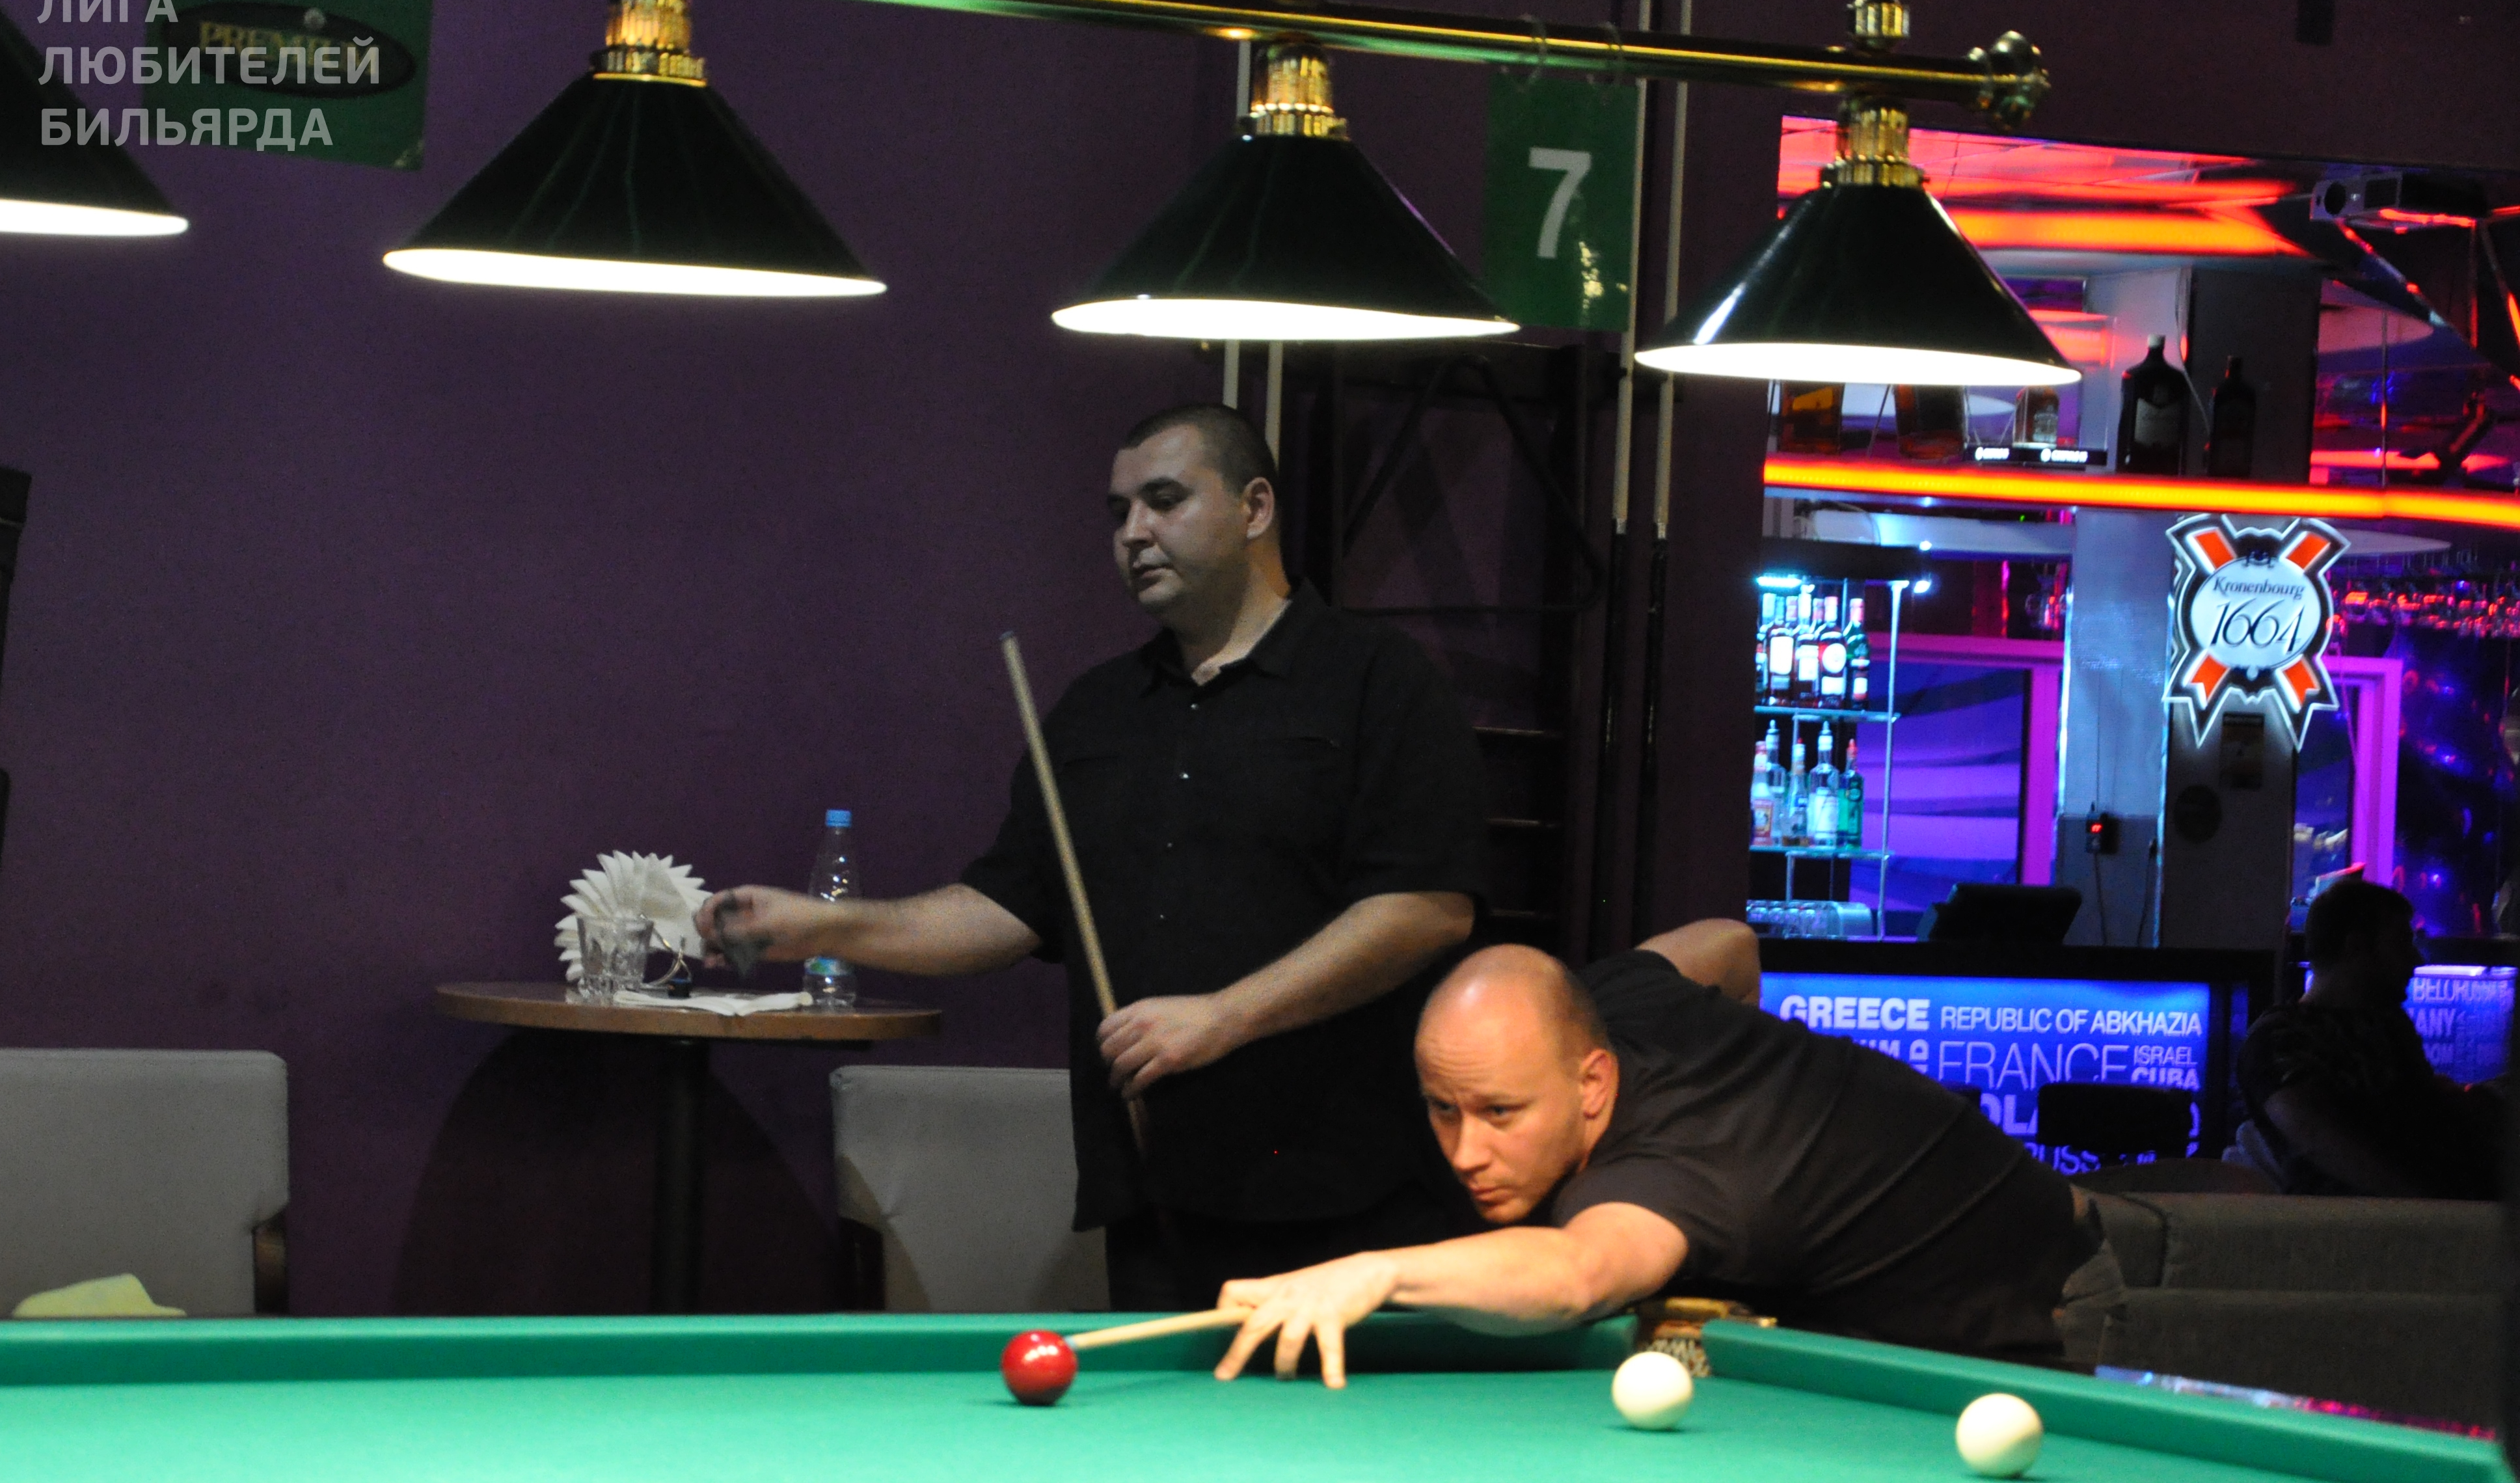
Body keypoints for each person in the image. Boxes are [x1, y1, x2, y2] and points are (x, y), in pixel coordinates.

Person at [697, 403, 1488, 1307]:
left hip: (1350, 1194)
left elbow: (1426, 908)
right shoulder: (1096, 713)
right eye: (1119, 513)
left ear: (1255, 507)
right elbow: (1008, 907)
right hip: (1156, 1195)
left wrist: (1224, 1017)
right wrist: (824, 927)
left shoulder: (1378, 680)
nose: (1134, 533)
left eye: (1165, 500)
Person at [1208, 927, 2098, 1388]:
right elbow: (1729, 942)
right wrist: (1765, 1079)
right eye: (1444, 1110)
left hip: (2065, 1296)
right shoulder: (1616, 997)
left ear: (1593, 1082)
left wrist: (1378, 1272)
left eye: (1501, 1113)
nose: (1466, 1152)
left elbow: (1576, 1276)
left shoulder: (1667, 1181)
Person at [2238, 878, 2500, 1198]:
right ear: (2356, 947)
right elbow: (2320, 1141)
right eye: (2402, 943)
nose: (2417, 959)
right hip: (2355, 1221)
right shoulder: (2279, 1038)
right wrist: (2439, 1204)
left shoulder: (2387, 1023)